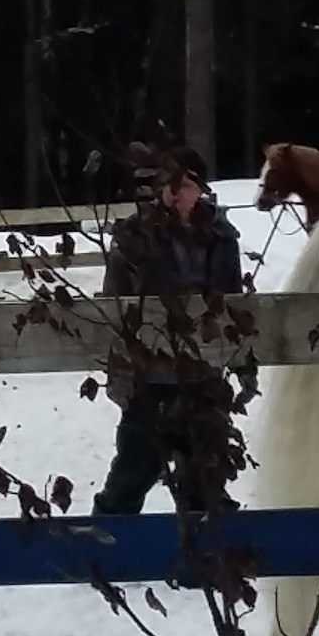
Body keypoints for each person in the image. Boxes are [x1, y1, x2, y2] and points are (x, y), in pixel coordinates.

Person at [92, 147, 244, 515]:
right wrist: (121, 374)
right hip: (150, 379)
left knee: (204, 483)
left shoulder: (223, 239)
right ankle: (107, 558)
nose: (175, 191)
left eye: (185, 183)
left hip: (203, 379)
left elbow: (236, 307)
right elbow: (114, 304)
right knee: (131, 476)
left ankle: (204, 566)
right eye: (168, 182)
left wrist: (235, 365)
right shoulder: (134, 236)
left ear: (200, 189)